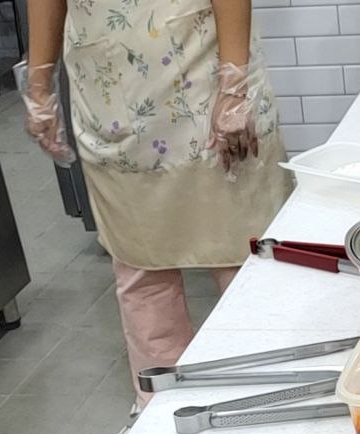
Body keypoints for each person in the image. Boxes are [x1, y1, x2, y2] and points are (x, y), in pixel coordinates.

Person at [22, 0, 291, 409]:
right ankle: (162, 417)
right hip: (110, 92)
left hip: (204, 71)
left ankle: (274, 398)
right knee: (141, 271)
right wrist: (39, 86)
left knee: (244, 262)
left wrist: (234, 86)